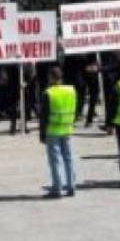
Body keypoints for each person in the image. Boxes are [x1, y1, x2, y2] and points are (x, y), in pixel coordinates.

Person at [39, 67, 77, 199]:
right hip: (67, 128)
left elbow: (44, 116)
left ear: (51, 77)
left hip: (53, 129)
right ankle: (71, 185)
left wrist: (42, 133)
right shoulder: (71, 90)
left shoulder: (48, 93)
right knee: (68, 157)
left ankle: (57, 187)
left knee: (55, 160)